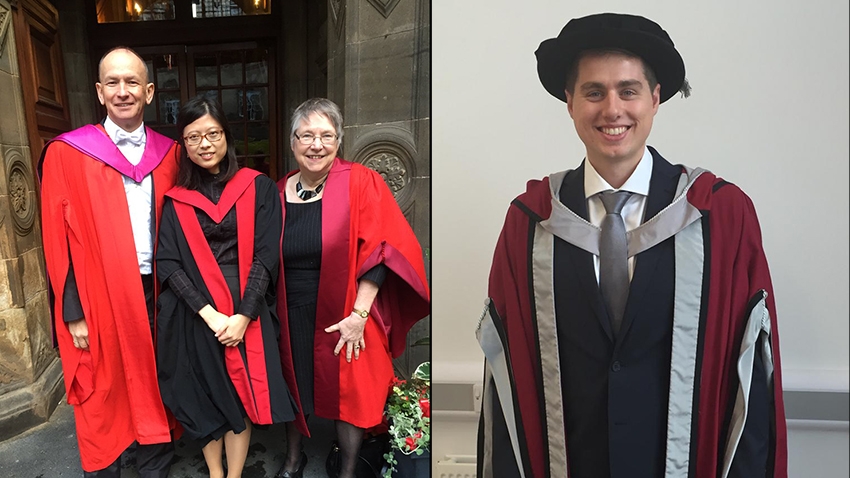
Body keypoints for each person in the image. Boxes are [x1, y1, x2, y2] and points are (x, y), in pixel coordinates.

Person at [476, 13, 788, 478]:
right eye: (593, 92)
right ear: (570, 101)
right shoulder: (531, 222)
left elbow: (752, 383)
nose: (612, 110)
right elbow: (505, 380)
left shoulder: (720, 217)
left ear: (655, 98)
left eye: (628, 90)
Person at [39, 46, 179, 476]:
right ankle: (108, 463)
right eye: (113, 83)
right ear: (99, 92)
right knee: (103, 380)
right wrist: (72, 310)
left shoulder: (171, 152)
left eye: (132, 82)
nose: (123, 92)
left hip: (159, 288)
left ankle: (155, 459)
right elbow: (55, 239)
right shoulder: (68, 152)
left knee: (157, 374)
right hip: (97, 292)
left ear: (149, 91)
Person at [273, 98, 430, 478]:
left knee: (351, 391)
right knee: (295, 385)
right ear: (293, 142)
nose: (316, 145)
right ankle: (293, 461)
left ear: (338, 141)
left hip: (348, 306)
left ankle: (347, 470)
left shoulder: (360, 182)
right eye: (307, 135)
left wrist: (359, 315)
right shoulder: (277, 191)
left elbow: (380, 251)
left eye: (326, 136)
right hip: (291, 306)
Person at [154, 95, 298, 478]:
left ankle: (233, 475)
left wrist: (244, 316)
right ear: (183, 146)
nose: (205, 144)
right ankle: (215, 473)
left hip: (243, 308)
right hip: (198, 313)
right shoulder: (176, 200)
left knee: (240, 394)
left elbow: (267, 255)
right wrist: (211, 315)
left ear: (226, 136)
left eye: (212, 133)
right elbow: (168, 263)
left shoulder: (258, 187)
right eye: (193, 137)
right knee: (202, 393)